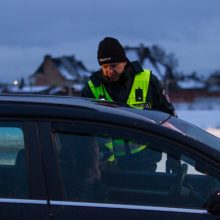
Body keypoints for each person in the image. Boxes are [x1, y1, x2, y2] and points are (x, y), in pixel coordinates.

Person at [81, 37, 177, 116]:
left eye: (114, 65)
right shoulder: (92, 88)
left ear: (124, 62)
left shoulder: (148, 81)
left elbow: (169, 118)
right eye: (104, 67)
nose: (109, 71)